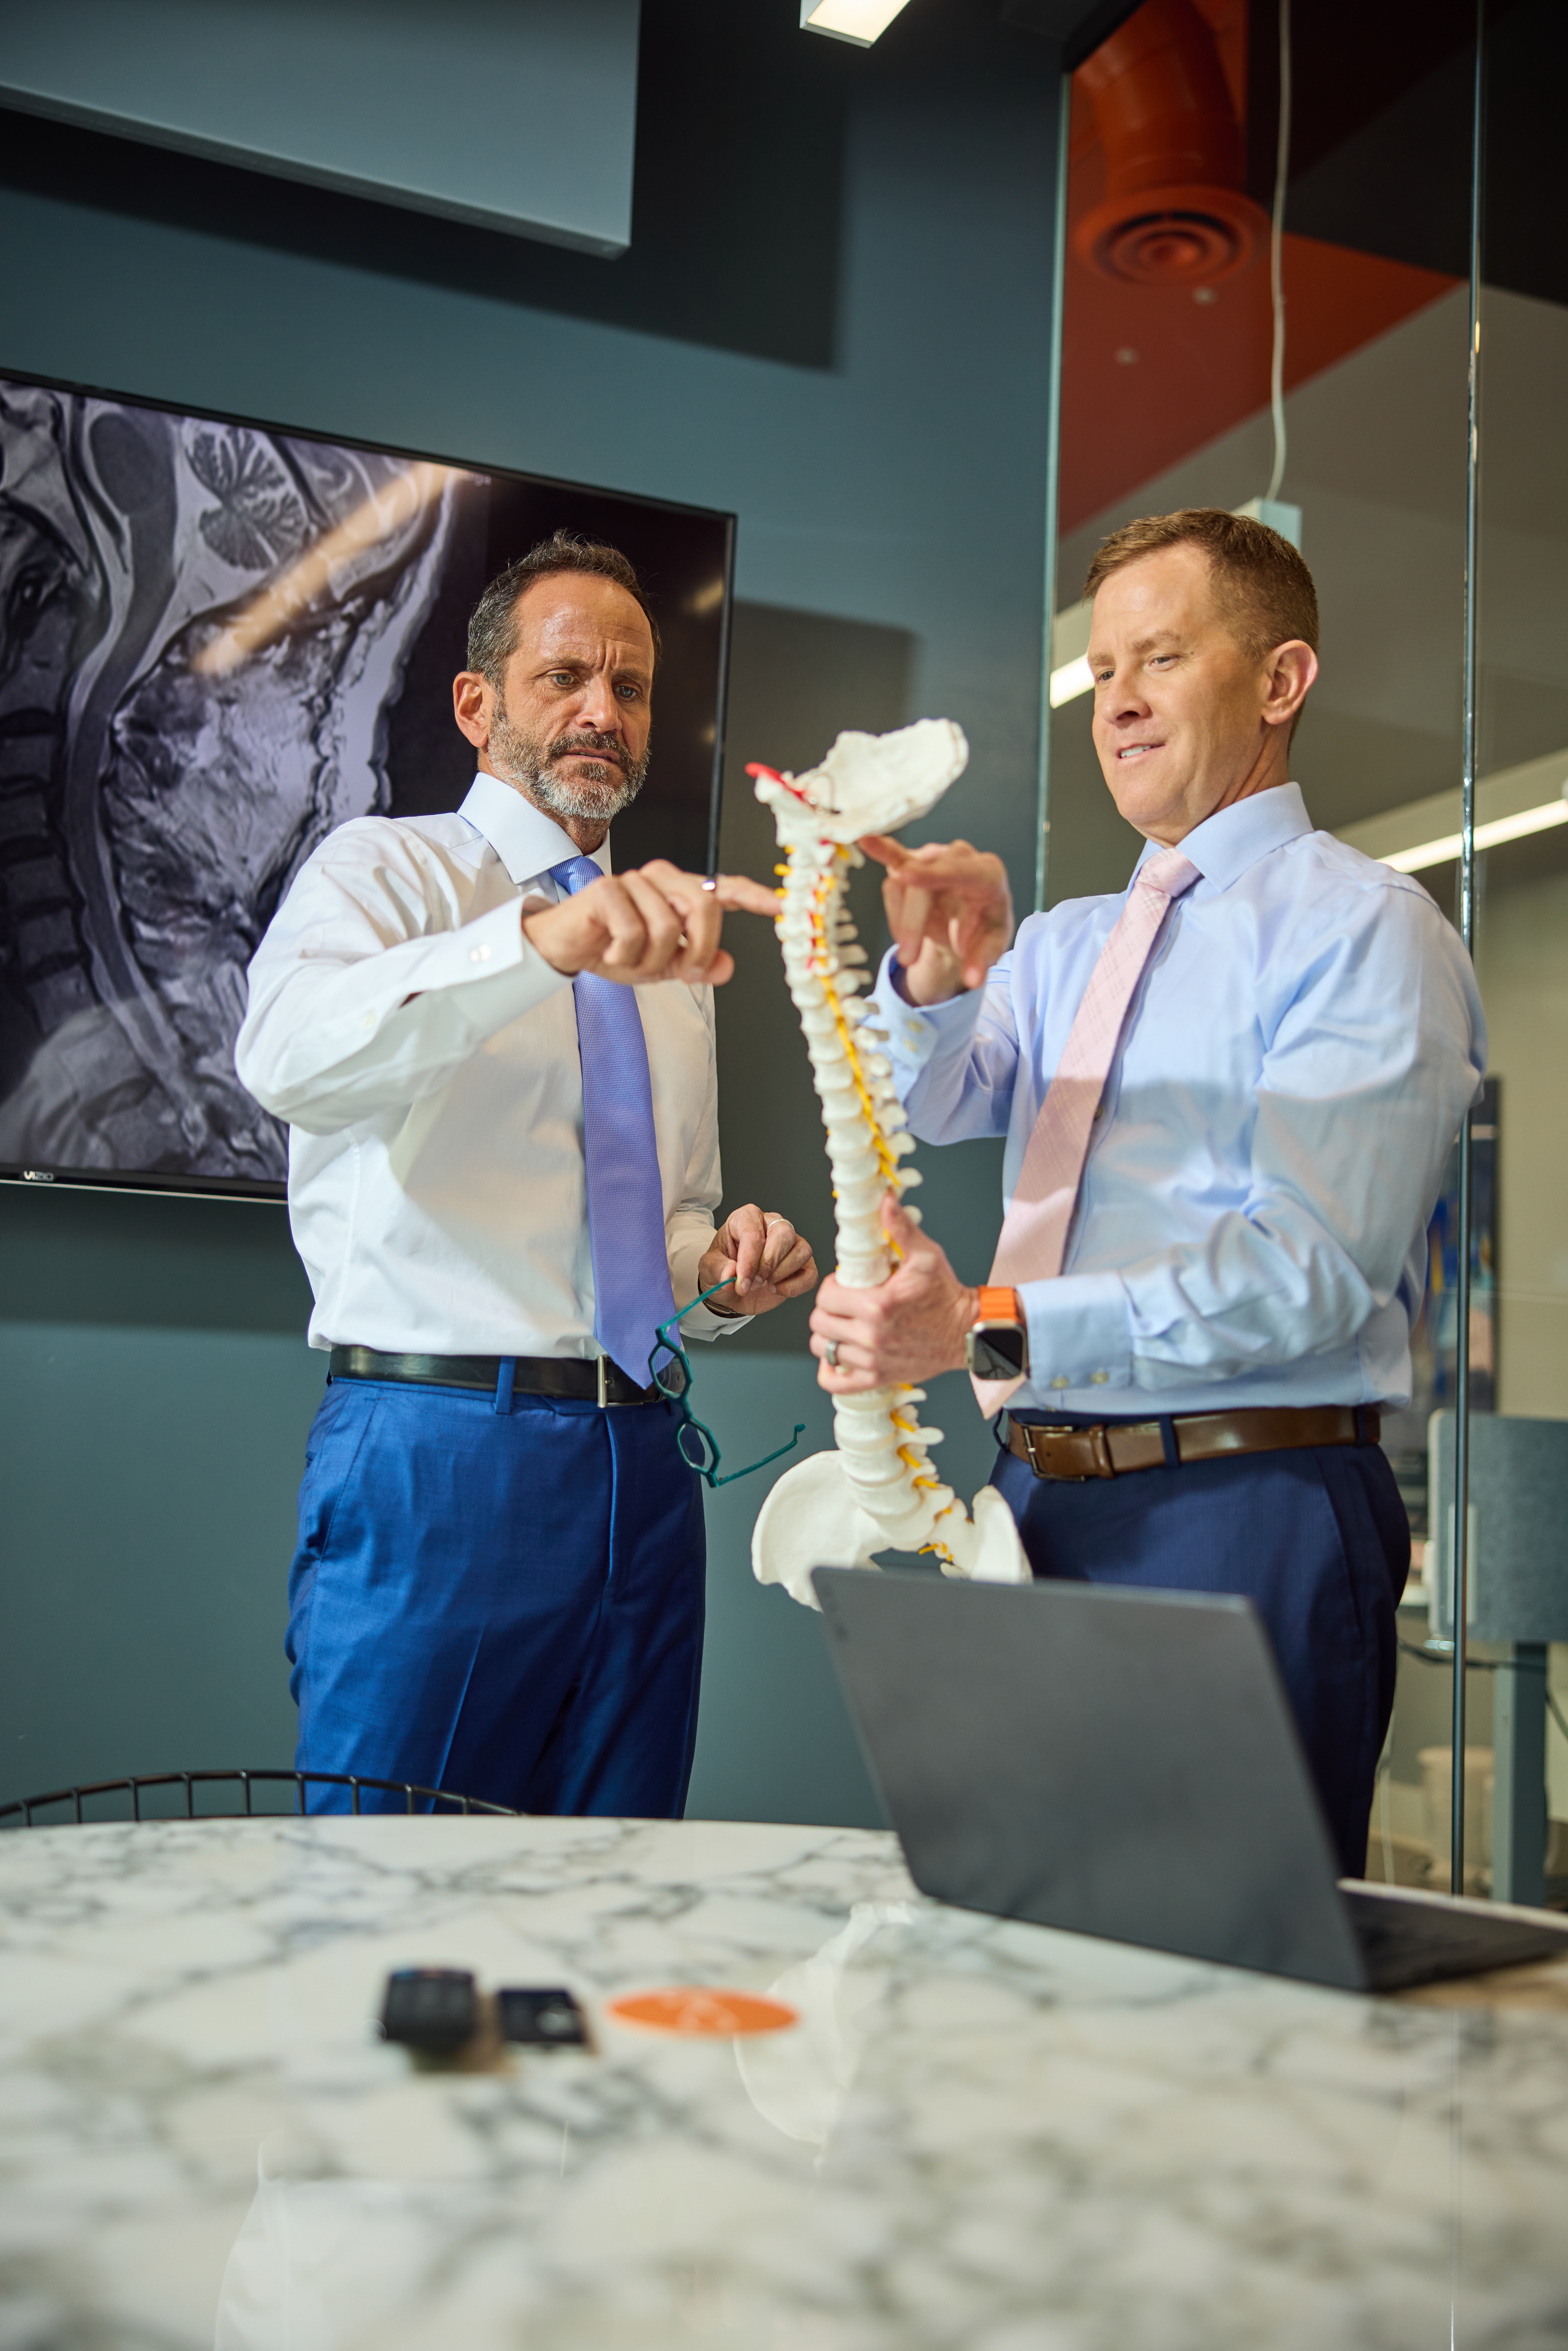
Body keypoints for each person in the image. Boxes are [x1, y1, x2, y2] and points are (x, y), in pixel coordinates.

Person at [806, 508, 1484, 1875]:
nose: (1116, 699)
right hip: (1033, 1503)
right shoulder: (1061, 944)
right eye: (1102, 668)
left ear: (1280, 683)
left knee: (1224, 1970)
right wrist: (936, 979)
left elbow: (1305, 1270)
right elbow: (940, 1100)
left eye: (1160, 658)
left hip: (1243, 1505)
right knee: (1015, 1928)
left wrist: (991, 1325)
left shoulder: (1364, 928)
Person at [236, 532, 816, 1817]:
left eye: (631, 686)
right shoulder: (382, 873)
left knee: (617, 1893)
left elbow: (667, 1222)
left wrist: (722, 1276)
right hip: (440, 1454)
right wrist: (534, 939)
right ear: (476, 703)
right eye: (563, 677)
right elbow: (286, 1058)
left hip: (648, 1468)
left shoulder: (670, 951)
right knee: (390, 1897)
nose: (601, 712)